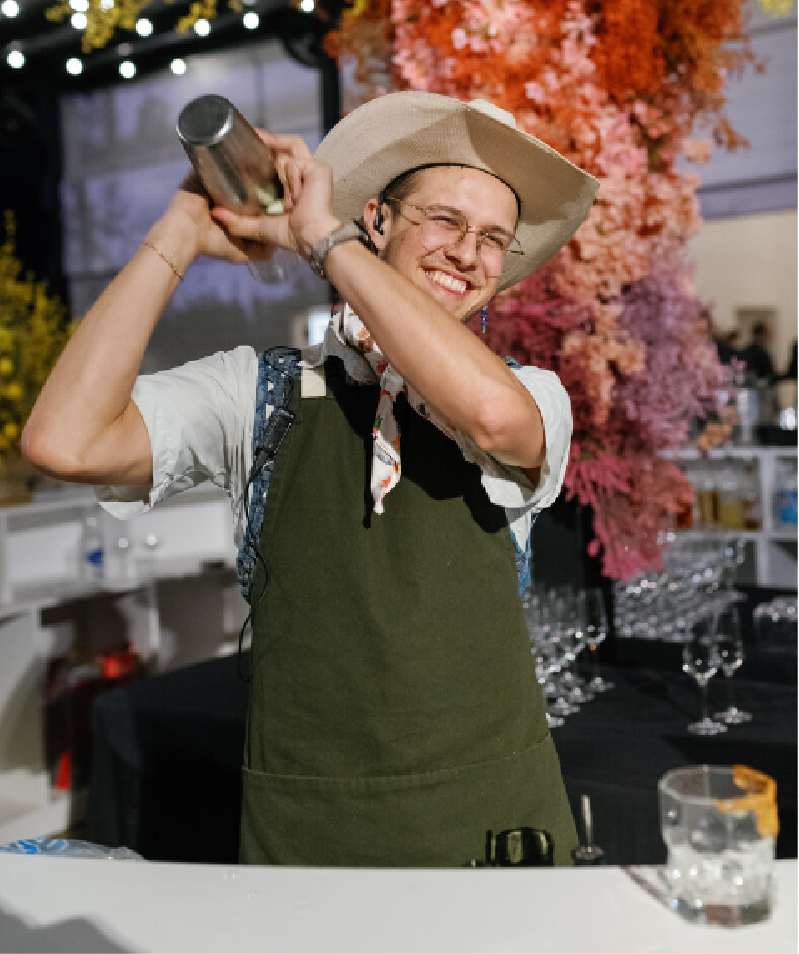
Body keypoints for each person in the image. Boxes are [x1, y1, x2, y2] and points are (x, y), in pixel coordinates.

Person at [22, 92, 599, 867]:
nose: (468, 253)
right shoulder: (258, 394)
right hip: (309, 834)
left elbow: (490, 416)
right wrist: (176, 236)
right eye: (444, 220)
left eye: (494, 238)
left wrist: (323, 240)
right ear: (378, 221)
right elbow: (64, 440)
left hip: (492, 827)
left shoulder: (531, 395)